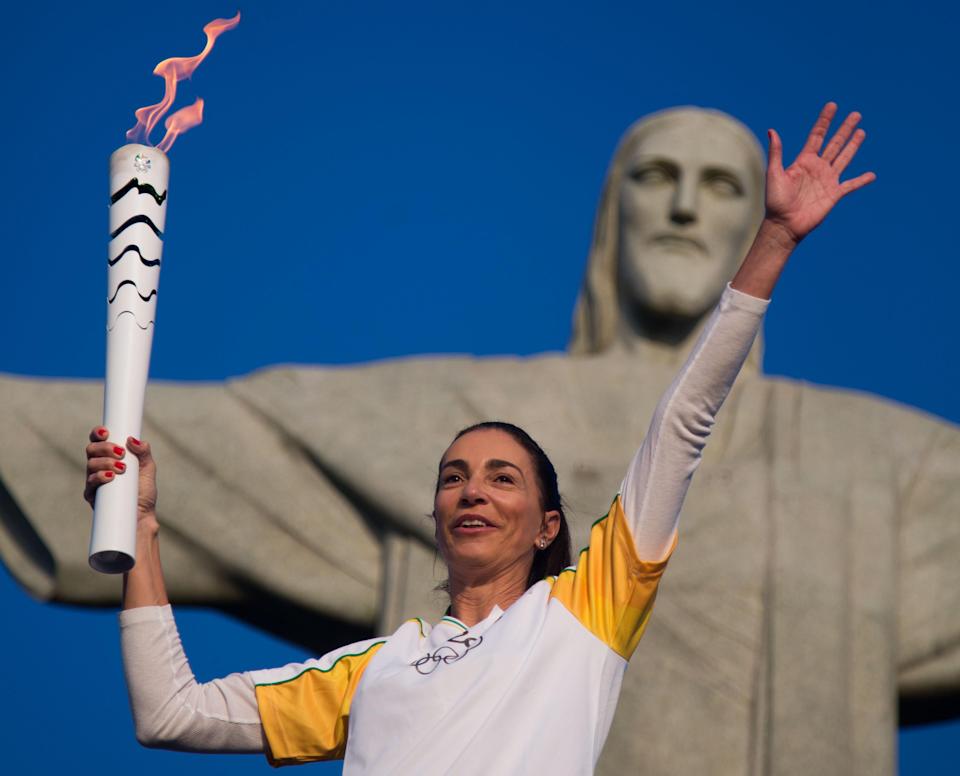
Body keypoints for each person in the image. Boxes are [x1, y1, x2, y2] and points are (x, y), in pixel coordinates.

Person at [84, 104, 874, 773]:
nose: (472, 490)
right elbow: (170, 713)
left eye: (503, 478)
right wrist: (144, 527)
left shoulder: (583, 616)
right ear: (435, 515)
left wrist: (772, 240)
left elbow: (682, 426)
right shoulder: (371, 670)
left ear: (548, 524)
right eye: (455, 476)